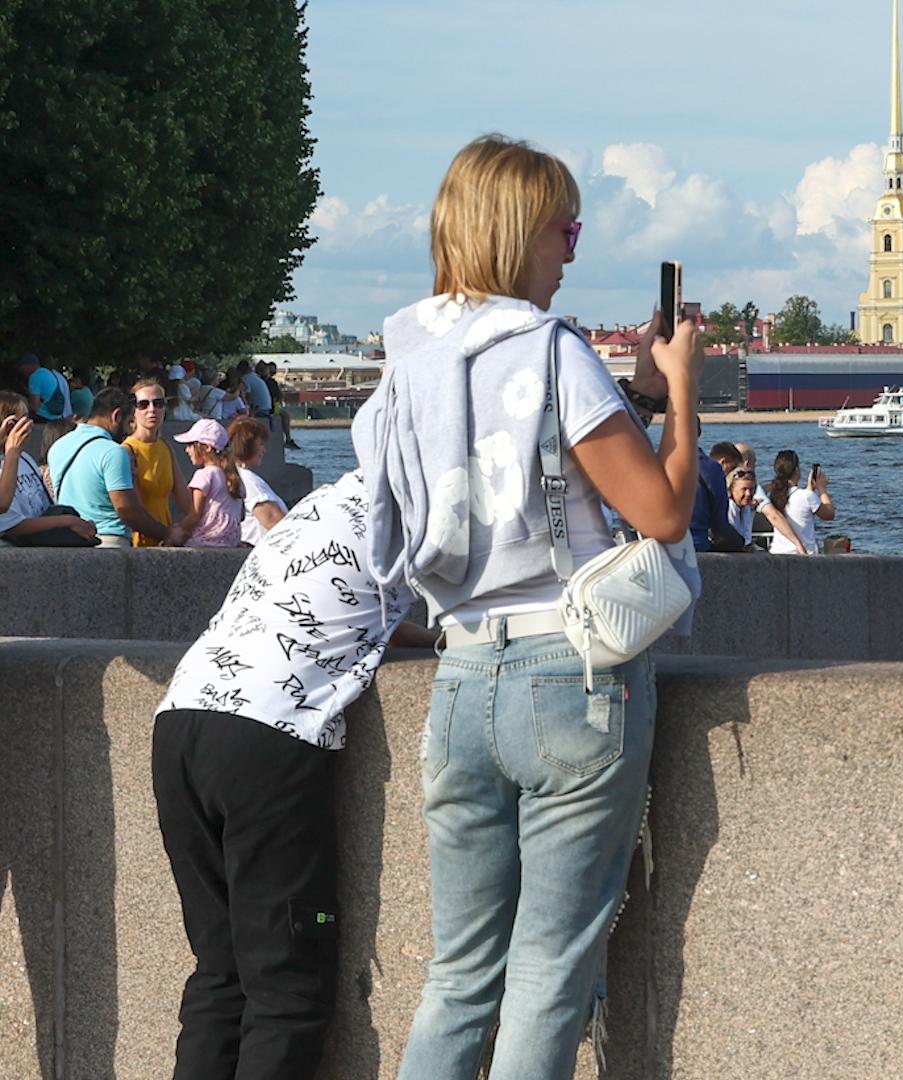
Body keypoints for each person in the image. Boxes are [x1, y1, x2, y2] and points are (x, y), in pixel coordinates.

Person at [354, 133, 704, 1080]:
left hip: (462, 677)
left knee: (459, 977)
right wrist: (680, 393)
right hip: (569, 678)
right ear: (519, 234)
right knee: (548, 973)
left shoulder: (408, 364)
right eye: (566, 230)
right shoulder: (554, 350)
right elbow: (663, 512)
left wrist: (630, 403)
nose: (572, 254)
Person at [151, 469, 438, 1080]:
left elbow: (348, 615)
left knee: (221, 969)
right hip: (268, 735)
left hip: (181, 718)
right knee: (288, 984)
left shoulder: (319, 507)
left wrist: (427, 637)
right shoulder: (424, 503)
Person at [46, 387, 178, 546]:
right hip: (109, 541)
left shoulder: (58, 446)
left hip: (69, 541)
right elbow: (128, 511)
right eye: (128, 422)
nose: (128, 430)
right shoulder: (113, 452)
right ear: (116, 416)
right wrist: (167, 533)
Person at [0, 397, 98, 545]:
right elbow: (10, 523)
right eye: (24, 420)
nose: (30, 425)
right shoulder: (10, 460)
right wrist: (68, 521)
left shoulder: (25, 458)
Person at [124, 377, 195, 548]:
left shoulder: (165, 447)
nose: (152, 409)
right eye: (143, 404)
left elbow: (186, 502)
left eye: (158, 403)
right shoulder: (127, 450)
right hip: (138, 541)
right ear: (133, 410)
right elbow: (132, 507)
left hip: (166, 540)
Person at [173, 417, 246, 548]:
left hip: (206, 540)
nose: (187, 450)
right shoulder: (235, 477)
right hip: (231, 542)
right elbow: (241, 516)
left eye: (190, 445)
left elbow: (195, 515)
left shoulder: (204, 475)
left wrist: (176, 531)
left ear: (206, 447)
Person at [227, 417, 288, 545]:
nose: (264, 450)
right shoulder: (250, 483)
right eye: (261, 444)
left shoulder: (234, 474)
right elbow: (275, 522)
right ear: (247, 445)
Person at [764, 449, 834, 555]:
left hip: (777, 552)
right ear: (796, 470)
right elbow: (829, 514)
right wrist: (822, 488)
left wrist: (810, 488)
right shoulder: (806, 496)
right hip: (801, 554)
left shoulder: (774, 494)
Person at [19, 352, 71, 423]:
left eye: (22, 367)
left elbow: (35, 407)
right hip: (57, 416)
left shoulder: (35, 377)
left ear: (28, 366)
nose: (21, 371)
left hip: (44, 417)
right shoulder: (48, 373)